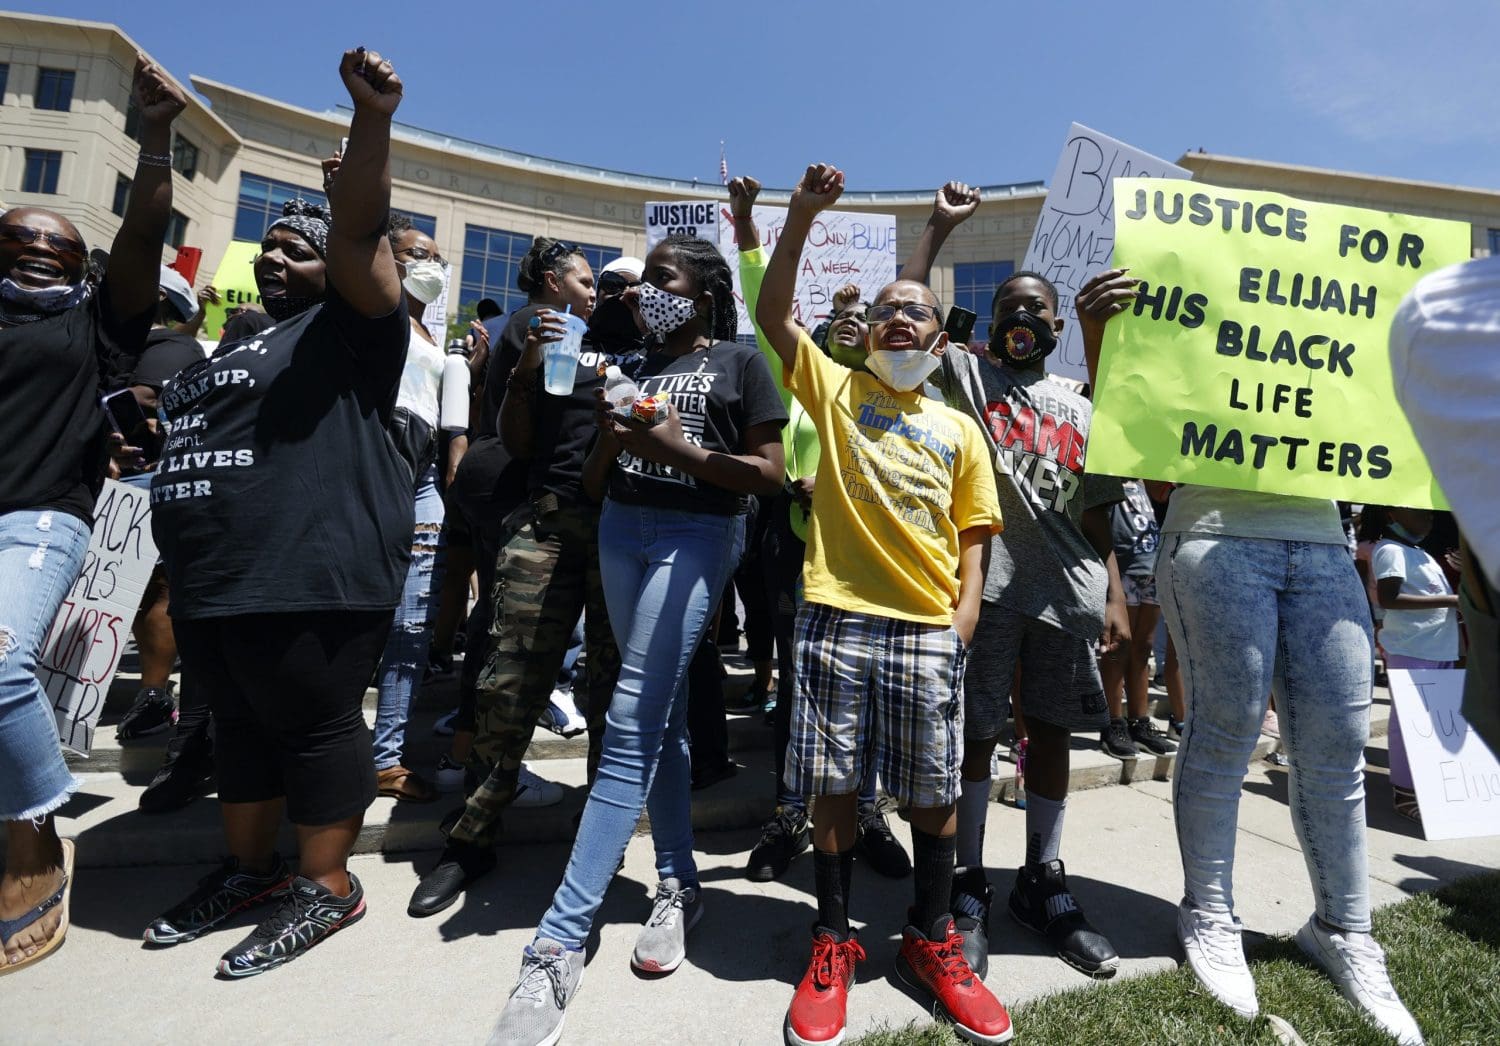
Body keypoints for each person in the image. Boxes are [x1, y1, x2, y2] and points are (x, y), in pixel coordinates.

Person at [1078, 267, 1423, 1043]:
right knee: (1225, 731)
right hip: (1214, 532)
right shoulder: (1189, 326)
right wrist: (1101, 338)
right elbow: (1138, 448)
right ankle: (1209, 912)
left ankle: (1344, 928)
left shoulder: (1328, 324)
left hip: (1323, 540)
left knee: (1336, 742)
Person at [141, 48, 414, 978]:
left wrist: (369, 122)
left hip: (312, 573)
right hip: (217, 580)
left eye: (298, 250)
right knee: (241, 731)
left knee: (313, 726)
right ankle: (249, 872)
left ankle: (326, 884)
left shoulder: (351, 332)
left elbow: (361, 233)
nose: (274, 261)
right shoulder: (230, 348)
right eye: (269, 250)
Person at [486, 234, 786, 1045]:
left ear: (703, 294)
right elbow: (594, 479)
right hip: (622, 530)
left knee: (627, 720)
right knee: (661, 719)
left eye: (661, 278)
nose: (639, 292)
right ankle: (679, 883)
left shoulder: (739, 363)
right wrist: (615, 441)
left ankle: (557, 941)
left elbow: (770, 475)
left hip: (697, 534)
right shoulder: (630, 365)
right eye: (638, 280)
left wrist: (675, 449)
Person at [758, 164, 1010, 1046]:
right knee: (833, 787)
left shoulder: (960, 428)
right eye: (887, 310)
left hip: (929, 630)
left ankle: (930, 941)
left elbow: (975, 535)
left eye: (919, 311)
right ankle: (833, 940)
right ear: (866, 331)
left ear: (940, 339)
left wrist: (963, 619)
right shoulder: (834, 390)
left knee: (934, 795)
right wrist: (799, 216)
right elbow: (772, 313)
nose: (901, 318)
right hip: (834, 618)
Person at [903, 185, 1129, 982]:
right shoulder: (968, 379)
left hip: (1066, 595)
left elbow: (1098, 510)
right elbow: (910, 306)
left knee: (1053, 731)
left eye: (1035, 308)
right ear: (991, 323)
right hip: (988, 590)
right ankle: (967, 880)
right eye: (1008, 308)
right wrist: (938, 229)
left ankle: (1042, 877)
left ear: (1058, 327)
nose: (1021, 317)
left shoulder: (1082, 403)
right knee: (975, 733)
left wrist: (1114, 591)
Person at [0, 55, 183, 974]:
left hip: (39, 520)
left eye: (60, 244)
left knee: (0, 666)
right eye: (20, 238)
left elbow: (144, 235)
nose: (40, 246)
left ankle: (36, 832)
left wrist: (155, 135)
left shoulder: (96, 327)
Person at [409, 247, 647, 918]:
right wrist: (525, 371)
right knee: (506, 684)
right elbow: (516, 439)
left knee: (612, 694)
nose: (613, 294)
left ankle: (599, 842)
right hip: (548, 525)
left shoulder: (662, 356)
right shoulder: (558, 338)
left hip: (625, 535)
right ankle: (472, 838)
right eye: (602, 283)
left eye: (633, 288)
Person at [727, 176, 910, 884]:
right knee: (801, 687)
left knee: (871, 692)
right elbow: (761, 299)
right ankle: (788, 814)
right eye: (836, 322)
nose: (848, 325)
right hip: (798, 553)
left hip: (872, 560)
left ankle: (868, 811)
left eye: (862, 321)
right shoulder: (801, 385)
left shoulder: (899, 397)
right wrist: (748, 225)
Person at [432, 239, 593, 799]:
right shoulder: (546, 324)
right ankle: (482, 768)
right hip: (505, 477)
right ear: (553, 282)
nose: (593, 294)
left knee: (488, 620)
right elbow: (549, 409)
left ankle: (463, 754)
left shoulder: (519, 322)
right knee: (506, 631)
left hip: (485, 474)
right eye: (585, 282)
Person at [1363, 505, 1460, 821]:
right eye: (1419, 511)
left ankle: (1428, 784)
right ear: (1392, 514)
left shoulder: (1419, 552)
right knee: (1410, 721)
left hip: (1438, 648)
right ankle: (1404, 791)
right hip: (1412, 649)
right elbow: (1389, 598)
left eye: (1430, 513)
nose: (1428, 517)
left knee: (1434, 723)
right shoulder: (1391, 550)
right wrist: (1452, 601)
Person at [1099, 478, 1176, 759]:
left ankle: (1139, 721)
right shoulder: (1109, 474)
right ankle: (1112, 723)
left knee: (1143, 646)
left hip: (1151, 566)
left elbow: (1164, 494)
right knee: (1119, 646)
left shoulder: (1144, 478)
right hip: (1123, 568)